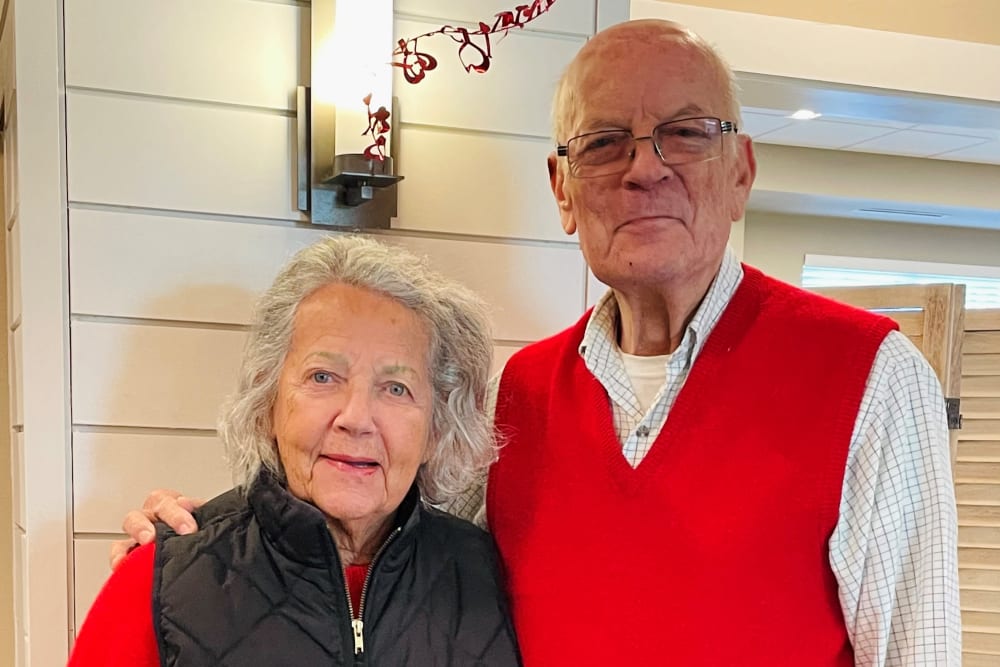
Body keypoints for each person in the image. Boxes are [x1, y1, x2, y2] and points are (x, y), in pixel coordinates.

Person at [111, 19, 960, 666]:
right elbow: (396, 553)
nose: (644, 168)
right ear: (562, 188)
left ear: (741, 170)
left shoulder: (869, 375)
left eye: (687, 133)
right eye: (604, 142)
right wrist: (202, 544)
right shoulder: (522, 391)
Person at [73, 236, 521, 666]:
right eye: (323, 377)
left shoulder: (489, 575)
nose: (357, 418)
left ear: (437, 428)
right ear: (267, 400)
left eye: (396, 388)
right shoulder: (158, 581)